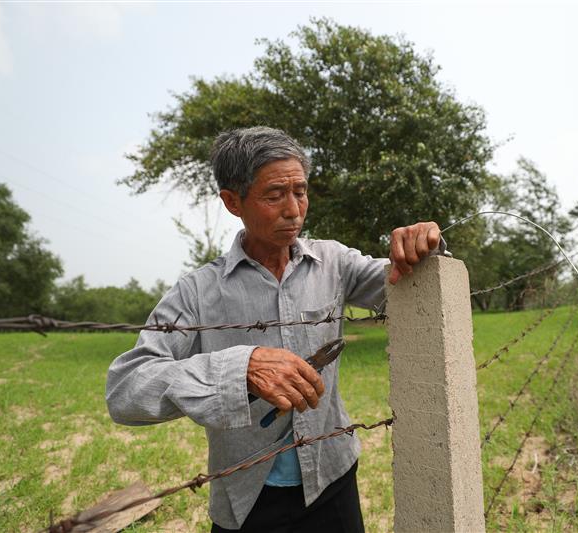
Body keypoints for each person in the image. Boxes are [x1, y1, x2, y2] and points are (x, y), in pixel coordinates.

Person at [105, 126, 441, 532]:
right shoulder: (197, 292)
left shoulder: (334, 262)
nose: (293, 209)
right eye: (274, 195)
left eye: (300, 191)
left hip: (332, 478)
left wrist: (425, 248)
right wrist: (238, 369)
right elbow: (125, 390)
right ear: (232, 202)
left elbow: (409, 289)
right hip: (248, 500)